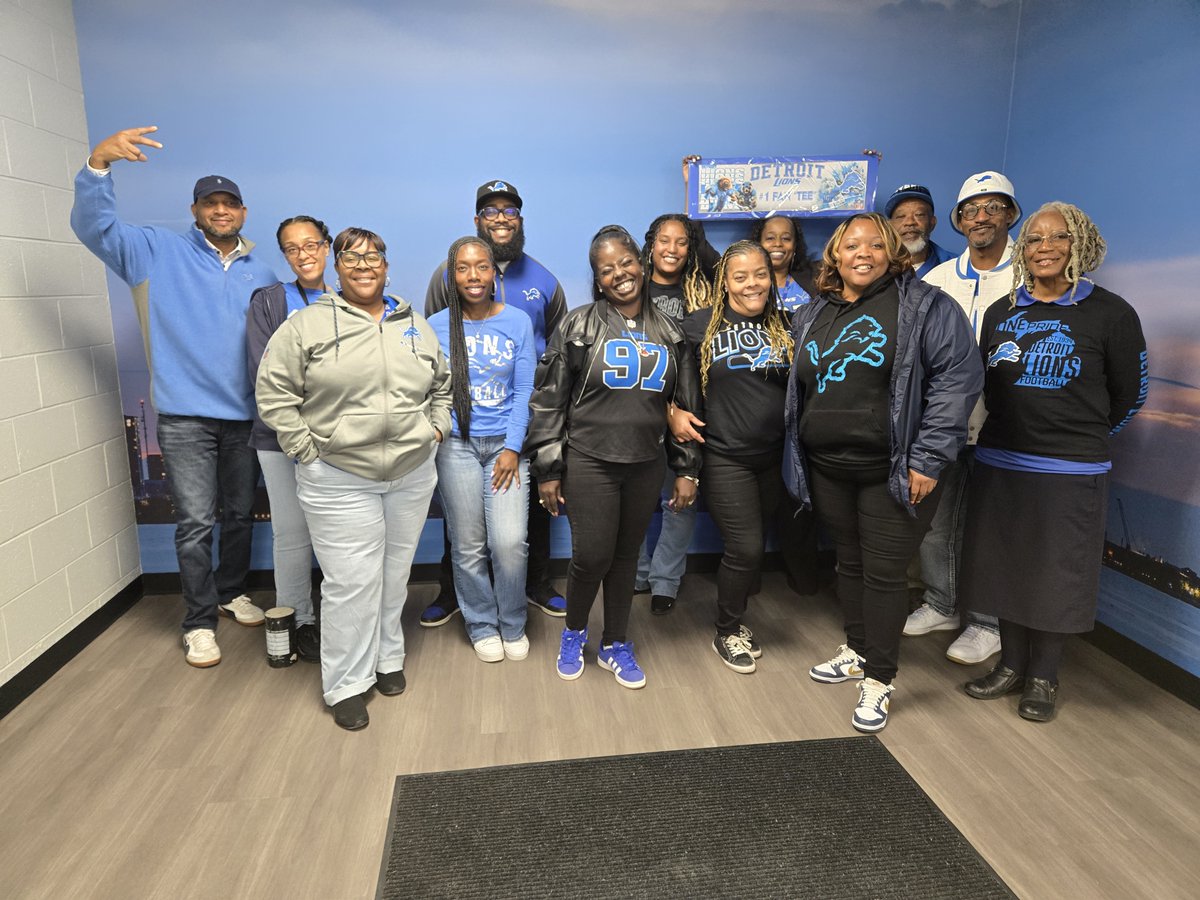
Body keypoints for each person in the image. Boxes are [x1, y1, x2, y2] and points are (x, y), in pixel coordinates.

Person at [70, 125, 277, 668]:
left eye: (229, 203)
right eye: (211, 203)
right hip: (185, 418)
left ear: (243, 212)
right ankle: (199, 621)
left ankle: (232, 593)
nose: (221, 210)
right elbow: (95, 229)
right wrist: (98, 166)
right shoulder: (153, 250)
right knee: (194, 523)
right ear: (195, 210)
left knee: (238, 514)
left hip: (245, 416)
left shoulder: (263, 269)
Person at [785, 213, 982, 732]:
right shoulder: (814, 311)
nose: (863, 253)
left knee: (884, 573)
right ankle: (856, 648)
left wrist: (929, 458)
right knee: (848, 564)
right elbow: (803, 386)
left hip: (892, 470)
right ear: (835, 255)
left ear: (892, 251)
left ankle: (879, 678)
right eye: (852, 245)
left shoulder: (926, 307)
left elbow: (957, 380)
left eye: (875, 243)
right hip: (828, 466)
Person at [256, 227, 451, 730]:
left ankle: (387, 660)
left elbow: (442, 385)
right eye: (351, 256)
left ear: (387, 265)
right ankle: (345, 682)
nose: (364, 264)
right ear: (336, 266)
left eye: (374, 256)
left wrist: (436, 429)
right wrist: (306, 450)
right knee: (350, 583)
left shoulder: (415, 324)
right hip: (338, 476)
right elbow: (274, 392)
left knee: (393, 575)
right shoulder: (308, 324)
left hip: (410, 473)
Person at [962, 203, 1147, 722]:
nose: (1044, 247)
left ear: (1079, 245)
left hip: (1070, 470)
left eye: (1057, 237)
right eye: (1033, 239)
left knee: (1055, 574)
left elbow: (1130, 395)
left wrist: (1080, 437)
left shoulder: (1110, 314)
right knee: (1005, 567)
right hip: (1001, 459)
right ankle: (1011, 665)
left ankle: (1043, 675)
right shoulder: (1002, 313)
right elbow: (987, 385)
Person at [527, 225, 701, 690]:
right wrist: (548, 469)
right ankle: (574, 632)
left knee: (626, 557)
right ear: (598, 280)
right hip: (590, 460)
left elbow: (684, 408)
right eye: (607, 270)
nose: (619, 274)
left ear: (640, 264)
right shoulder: (578, 325)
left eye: (625, 262)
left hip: (646, 462)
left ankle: (615, 643)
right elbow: (548, 400)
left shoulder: (670, 331)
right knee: (592, 556)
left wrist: (686, 469)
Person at [422, 180, 568, 626]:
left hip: (529, 410)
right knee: (462, 520)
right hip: (464, 425)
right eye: (490, 211)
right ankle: (455, 594)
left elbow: (561, 348)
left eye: (509, 210)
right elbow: (434, 349)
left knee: (528, 517)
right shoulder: (445, 277)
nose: (500, 217)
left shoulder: (543, 280)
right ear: (477, 221)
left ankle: (535, 587)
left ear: (519, 220)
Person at [905, 172, 1022, 666]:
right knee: (938, 525)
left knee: (993, 528)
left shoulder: (1028, 275)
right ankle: (942, 603)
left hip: (1008, 428)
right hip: (946, 426)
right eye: (971, 210)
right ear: (957, 221)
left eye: (993, 207)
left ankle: (988, 623)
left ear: (1011, 215)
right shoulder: (938, 279)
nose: (981, 217)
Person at [677, 241, 794, 673]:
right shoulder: (698, 325)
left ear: (771, 276)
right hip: (725, 456)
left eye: (760, 274)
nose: (752, 284)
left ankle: (737, 617)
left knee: (755, 545)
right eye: (740, 276)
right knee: (744, 548)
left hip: (773, 457)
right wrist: (670, 411)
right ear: (724, 283)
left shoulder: (786, 324)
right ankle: (727, 630)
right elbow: (661, 376)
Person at [427, 237, 536, 663]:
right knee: (468, 545)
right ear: (452, 275)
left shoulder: (518, 322)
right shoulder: (434, 326)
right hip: (456, 447)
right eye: (463, 268)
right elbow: (430, 390)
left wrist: (512, 447)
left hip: (506, 449)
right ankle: (481, 623)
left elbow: (526, 389)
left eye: (482, 267)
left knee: (509, 542)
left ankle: (512, 621)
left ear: (494, 273)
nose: (473, 276)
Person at [246, 216, 334, 663]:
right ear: (284, 255)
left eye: (312, 244)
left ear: (328, 246)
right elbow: (267, 371)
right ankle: (300, 621)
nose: (304, 254)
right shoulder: (270, 301)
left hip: (337, 438)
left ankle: (341, 619)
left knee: (338, 532)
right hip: (279, 436)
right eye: (292, 248)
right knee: (292, 532)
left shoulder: (348, 299)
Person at [634, 214, 712, 615]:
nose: (672, 249)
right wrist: (665, 409)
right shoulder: (635, 289)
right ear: (651, 244)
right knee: (639, 497)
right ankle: (640, 572)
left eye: (682, 241)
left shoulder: (703, 291)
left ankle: (666, 579)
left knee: (680, 495)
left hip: (692, 409)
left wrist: (694, 198)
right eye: (664, 240)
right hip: (645, 409)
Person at [883, 184, 955, 279]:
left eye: (919, 215)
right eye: (900, 216)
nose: (910, 222)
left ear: (932, 223)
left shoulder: (954, 266)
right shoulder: (875, 266)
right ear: (889, 226)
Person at [749, 216, 817, 312]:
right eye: (770, 238)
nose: (777, 243)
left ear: (795, 245)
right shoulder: (748, 284)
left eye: (786, 238)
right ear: (758, 244)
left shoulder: (815, 278)